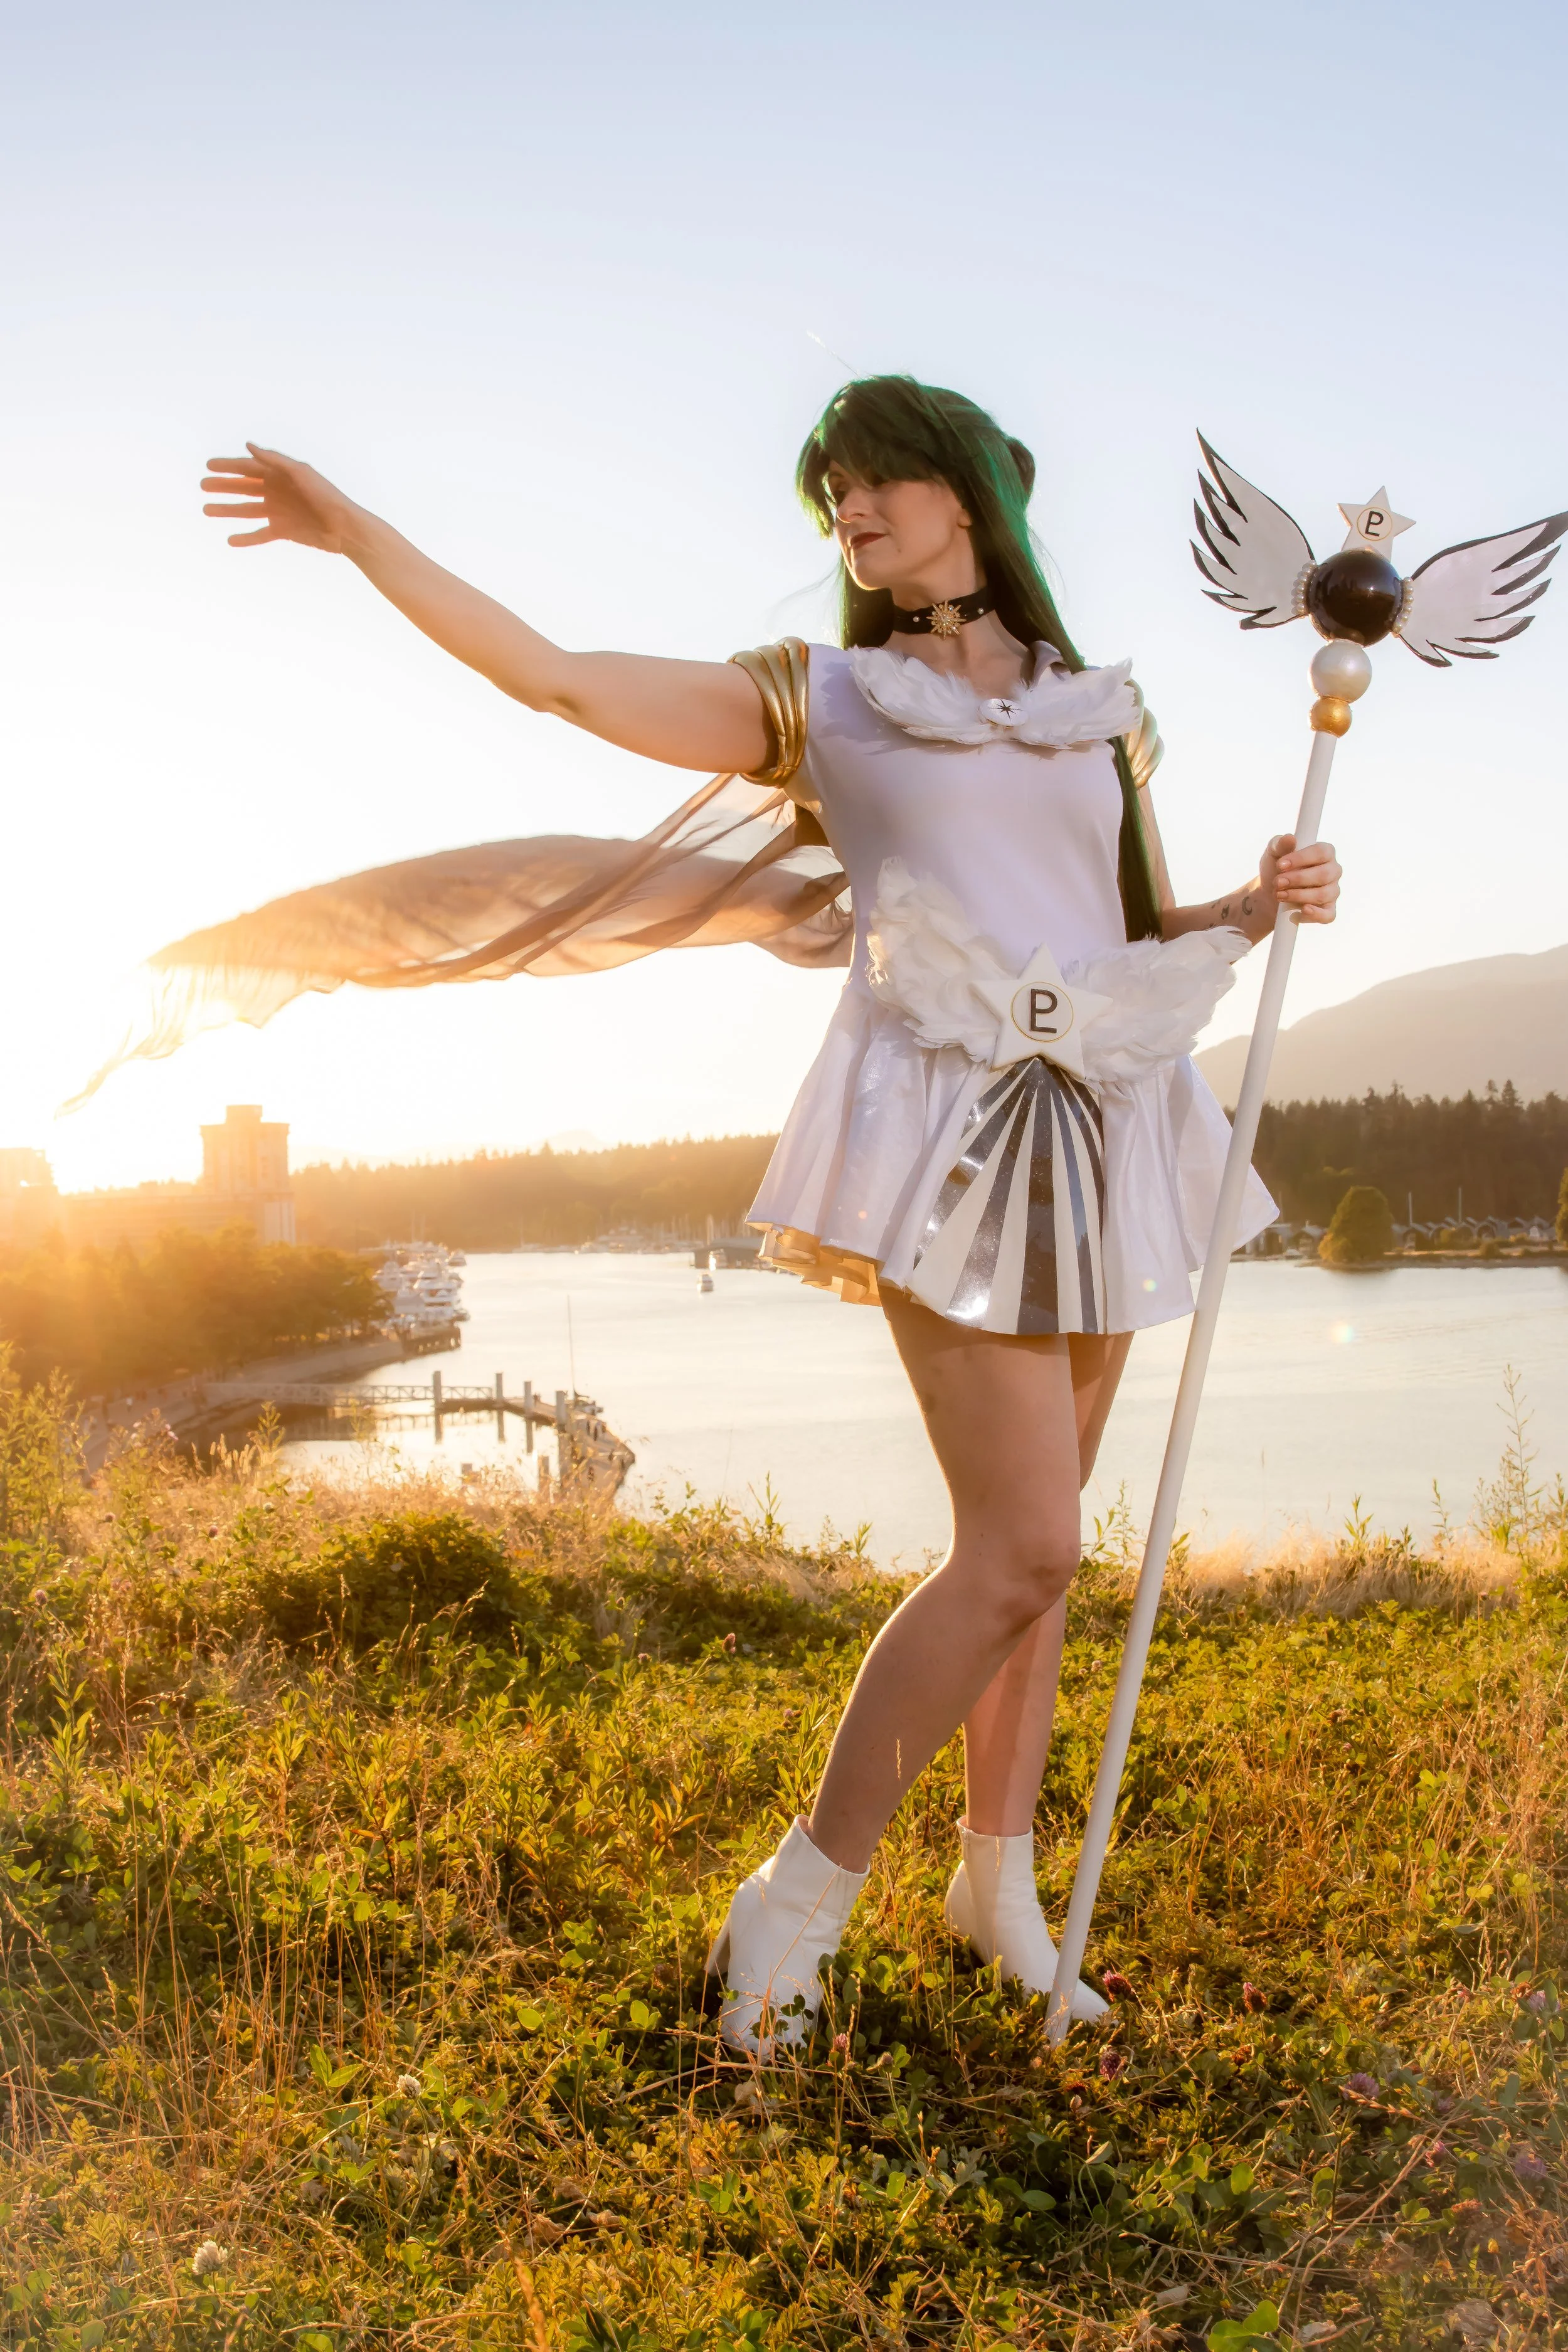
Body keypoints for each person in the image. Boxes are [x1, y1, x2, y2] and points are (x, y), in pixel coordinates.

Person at [199, 376, 1341, 2052]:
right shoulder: (825, 699)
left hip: (1106, 1113)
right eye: (832, 494)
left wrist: (1254, 900)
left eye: (876, 480)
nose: (849, 513)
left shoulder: (1104, 710)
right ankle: (791, 1903)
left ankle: (999, 1892)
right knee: (1023, 1543)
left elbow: (1124, 921)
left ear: (970, 492)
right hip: (943, 1130)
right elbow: (559, 677)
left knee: (1037, 1565)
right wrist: (355, 531)